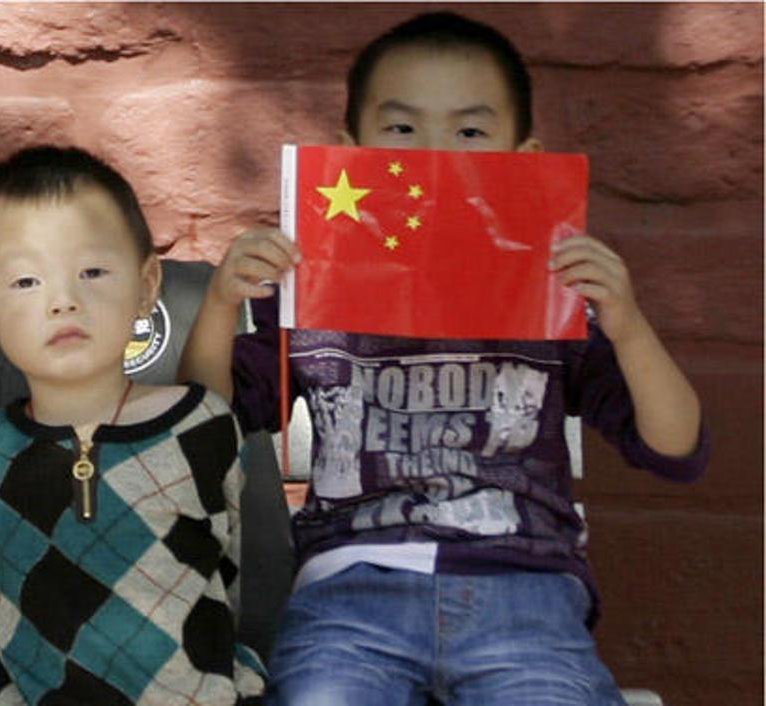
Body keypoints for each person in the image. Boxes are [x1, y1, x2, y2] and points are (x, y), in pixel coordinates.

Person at [178, 12, 709, 706]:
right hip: (349, 593)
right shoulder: (313, 289)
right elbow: (204, 422)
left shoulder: (554, 294)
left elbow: (675, 448)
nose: (433, 155)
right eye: (401, 129)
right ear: (351, 153)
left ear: (523, 157)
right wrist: (221, 303)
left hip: (524, 592)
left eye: (469, 132)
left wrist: (627, 323)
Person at [0, 146, 265, 705]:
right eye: (25, 281)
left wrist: (222, 299)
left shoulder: (199, 423)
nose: (63, 301)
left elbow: (210, 407)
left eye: (92, 272)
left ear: (146, 286)